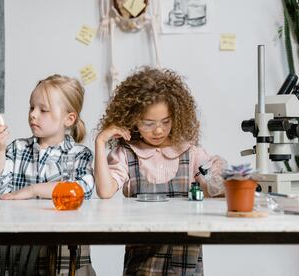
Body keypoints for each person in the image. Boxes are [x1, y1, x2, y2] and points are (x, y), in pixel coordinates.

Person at [95, 67, 226, 275]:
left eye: (166, 122)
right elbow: (104, 191)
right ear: (133, 121)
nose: (158, 130)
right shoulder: (127, 154)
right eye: (148, 123)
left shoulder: (190, 152)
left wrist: (223, 177)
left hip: (186, 259)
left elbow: (213, 189)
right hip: (144, 262)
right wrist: (101, 141)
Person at [0, 74, 96, 275]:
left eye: (43, 110)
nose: (33, 114)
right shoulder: (16, 149)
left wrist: (32, 191)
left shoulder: (80, 155)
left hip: (66, 263)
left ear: (69, 118)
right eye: (31, 107)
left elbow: (81, 191)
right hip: (19, 261)